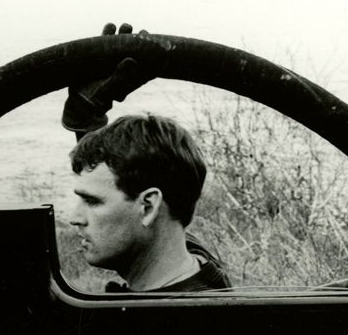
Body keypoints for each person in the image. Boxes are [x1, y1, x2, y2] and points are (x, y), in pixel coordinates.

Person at [69, 114, 231, 292]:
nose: (75, 218)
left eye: (92, 201)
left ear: (148, 207)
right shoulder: (187, 255)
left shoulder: (167, 318)